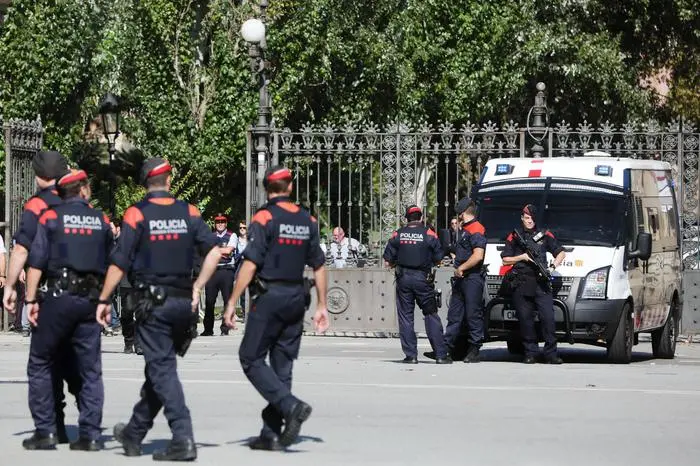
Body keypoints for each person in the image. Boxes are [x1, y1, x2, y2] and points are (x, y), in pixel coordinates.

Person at [95, 158, 229, 461]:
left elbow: (120, 262)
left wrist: (103, 299)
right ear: (169, 181)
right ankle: (134, 432)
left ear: (145, 185)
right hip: (183, 303)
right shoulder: (190, 212)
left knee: (162, 370)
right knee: (158, 368)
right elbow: (214, 254)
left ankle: (183, 437)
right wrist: (197, 287)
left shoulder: (136, 213)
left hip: (153, 305)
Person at [222, 165, 329, 451]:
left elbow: (250, 263)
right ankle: (271, 433)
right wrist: (322, 306)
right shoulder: (307, 220)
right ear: (290, 187)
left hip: (270, 298)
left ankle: (290, 406)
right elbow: (319, 265)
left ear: (267, 189)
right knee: (283, 365)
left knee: (250, 357)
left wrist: (232, 301)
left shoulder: (264, 217)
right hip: (297, 298)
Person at [22, 169, 112, 451]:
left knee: (40, 362)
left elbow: (36, 261)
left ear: (61, 193)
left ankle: (46, 432)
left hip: (57, 299)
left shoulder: (50, 217)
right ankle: (92, 435)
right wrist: (105, 301)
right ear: (84, 190)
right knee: (90, 370)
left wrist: (30, 300)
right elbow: (113, 263)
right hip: (91, 302)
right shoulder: (102, 221)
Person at [2, 150, 80, 444]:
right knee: (73, 361)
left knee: (42, 363)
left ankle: (48, 427)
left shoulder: (37, 205)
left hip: (50, 292)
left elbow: (22, 249)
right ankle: (83, 424)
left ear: (37, 176)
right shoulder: (77, 201)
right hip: (82, 293)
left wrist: (10, 286)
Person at [383, 205, 450, 364]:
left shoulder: (397, 234)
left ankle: (411, 356)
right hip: (423, 279)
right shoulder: (429, 234)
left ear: (406, 219)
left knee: (406, 317)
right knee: (430, 314)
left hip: (404, 279)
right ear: (421, 217)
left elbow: (388, 261)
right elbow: (439, 258)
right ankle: (440, 355)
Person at [501, 204, 566, 364]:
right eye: (527, 218)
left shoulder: (544, 234)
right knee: (525, 320)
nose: (529, 221)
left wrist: (551, 267)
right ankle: (531, 353)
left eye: (532, 218)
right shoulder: (514, 236)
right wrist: (522, 257)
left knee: (548, 319)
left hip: (541, 283)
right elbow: (505, 259)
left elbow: (561, 252)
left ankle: (551, 354)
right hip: (522, 282)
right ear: (522, 218)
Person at [434, 197, 487, 363]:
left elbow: (478, 256)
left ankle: (474, 349)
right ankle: (446, 349)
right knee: (454, 315)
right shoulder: (466, 229)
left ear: (464, 213)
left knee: (473, 314)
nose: (458, 218)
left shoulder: (476, 228)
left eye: (459, 214)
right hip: (461, 278)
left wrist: (462, 268)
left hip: (472, 278)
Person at [201, 213, 238, 336]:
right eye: (218, 221)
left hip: (226, 270)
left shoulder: (232, 235)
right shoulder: (210, 236)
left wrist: (215, 251)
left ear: (226, 223)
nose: (220, 223)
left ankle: (225, 328)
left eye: (222, 221)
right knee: (209, 301)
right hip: (212, 271)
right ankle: (208, 329)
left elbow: (228, 251)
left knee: (227, 300)